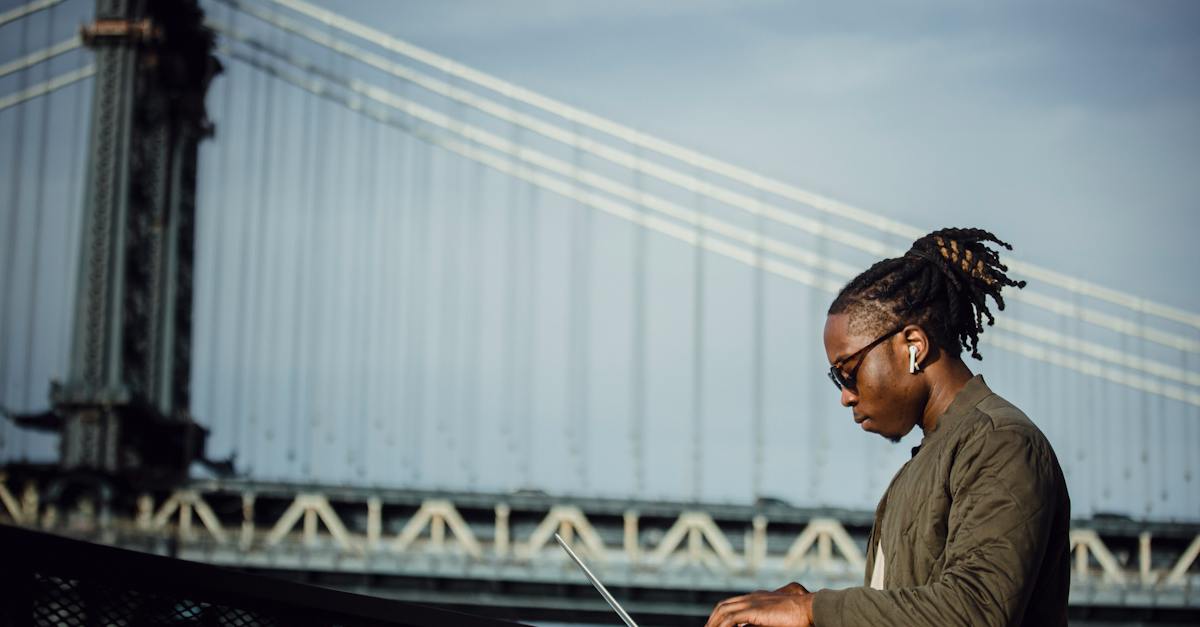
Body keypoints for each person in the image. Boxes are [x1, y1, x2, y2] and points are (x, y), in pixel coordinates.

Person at [705, 228, 1071, 626]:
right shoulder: (923, 466)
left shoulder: (1001, 442)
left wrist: (813, 611)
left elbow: (974, 612)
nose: (846, 395)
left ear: (913, 345)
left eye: (848, 372)